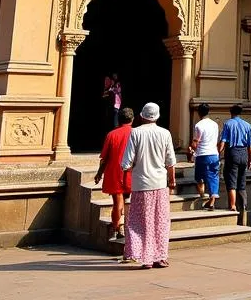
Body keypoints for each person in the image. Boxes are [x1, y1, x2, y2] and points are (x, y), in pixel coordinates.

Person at [121, 102, 176, 270]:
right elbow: (171, 161)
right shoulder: (165, 133)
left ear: (142, 116)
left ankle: (145, 258)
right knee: (161, 221)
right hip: (160, 184)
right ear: (157, 116)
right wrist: (172, 181)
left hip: (141, 184)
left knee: (140, 222)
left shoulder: (135, 133)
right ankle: (160, 256)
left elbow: (126, 163)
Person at [94, 106, 134, 243]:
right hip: (132, 172)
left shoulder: (112, 135)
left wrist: (99, 173)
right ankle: (125, 227)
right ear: (133, 119)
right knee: (127, 200)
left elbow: (104, 158)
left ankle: (117, 227)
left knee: (117, 202)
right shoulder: (136, 133)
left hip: (115, 172)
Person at [218, 104, 251, 220]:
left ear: (231, 112)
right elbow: (250, 145)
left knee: (231, 180)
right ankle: (243, 206)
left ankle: (233, 206)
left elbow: (223, 141)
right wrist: (250, 159)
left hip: (232, 153)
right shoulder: (247, 125)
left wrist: (218, 153)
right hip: (244, 153)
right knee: (242, 182)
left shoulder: (228, 124)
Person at [188, 103, 220, 210]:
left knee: (200, 177)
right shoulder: (215, 124)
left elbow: (196, 142)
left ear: (198, 112)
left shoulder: (199, 125)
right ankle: (211, 200)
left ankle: (202, 196)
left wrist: (191, 149)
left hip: (202, 155)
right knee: (214, 177)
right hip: (214, 154)